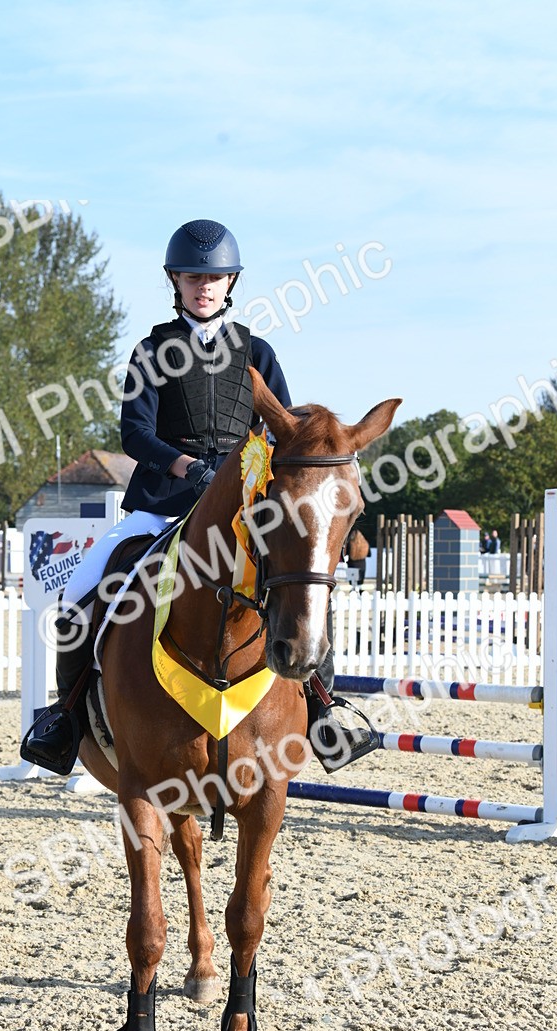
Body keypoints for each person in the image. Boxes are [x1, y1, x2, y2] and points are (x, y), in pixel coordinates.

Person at [23, 219, 371, 775]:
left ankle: (324, 709)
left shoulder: (258, 352)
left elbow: (287, 433)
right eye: (192, 278)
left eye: (213, 278)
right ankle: (64, 719)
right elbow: (134, 434)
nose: (203, 287)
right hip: (159, 506)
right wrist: (189, 468)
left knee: (304, 584)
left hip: (243, 515)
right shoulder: (151, 350)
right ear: (175, 282)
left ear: (230, 282)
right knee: (80, 595)